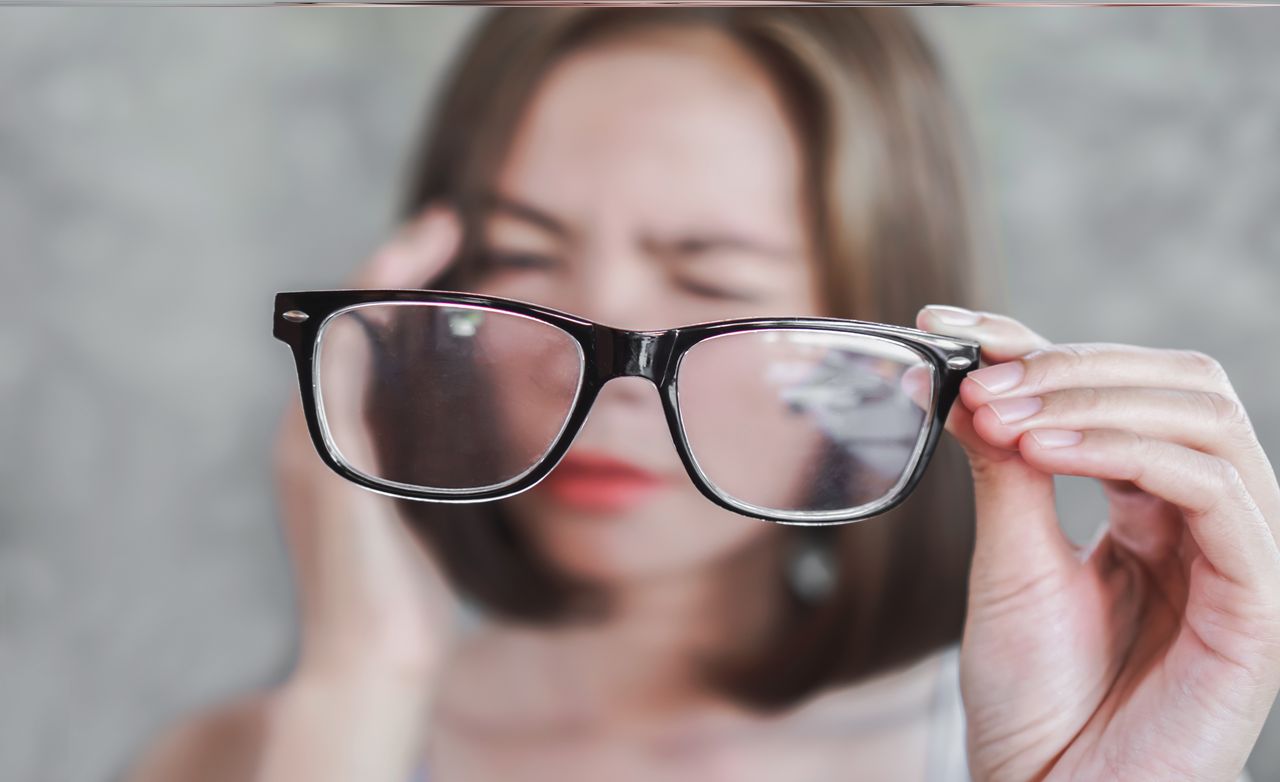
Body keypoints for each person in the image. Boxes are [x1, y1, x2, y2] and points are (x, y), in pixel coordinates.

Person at [129, 8, 1280, 782]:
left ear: (871, 334)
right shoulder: (243, 756)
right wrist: (360, 679)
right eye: (523, 260)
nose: (595, 375)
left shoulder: (1039, 739)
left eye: (712, 279)